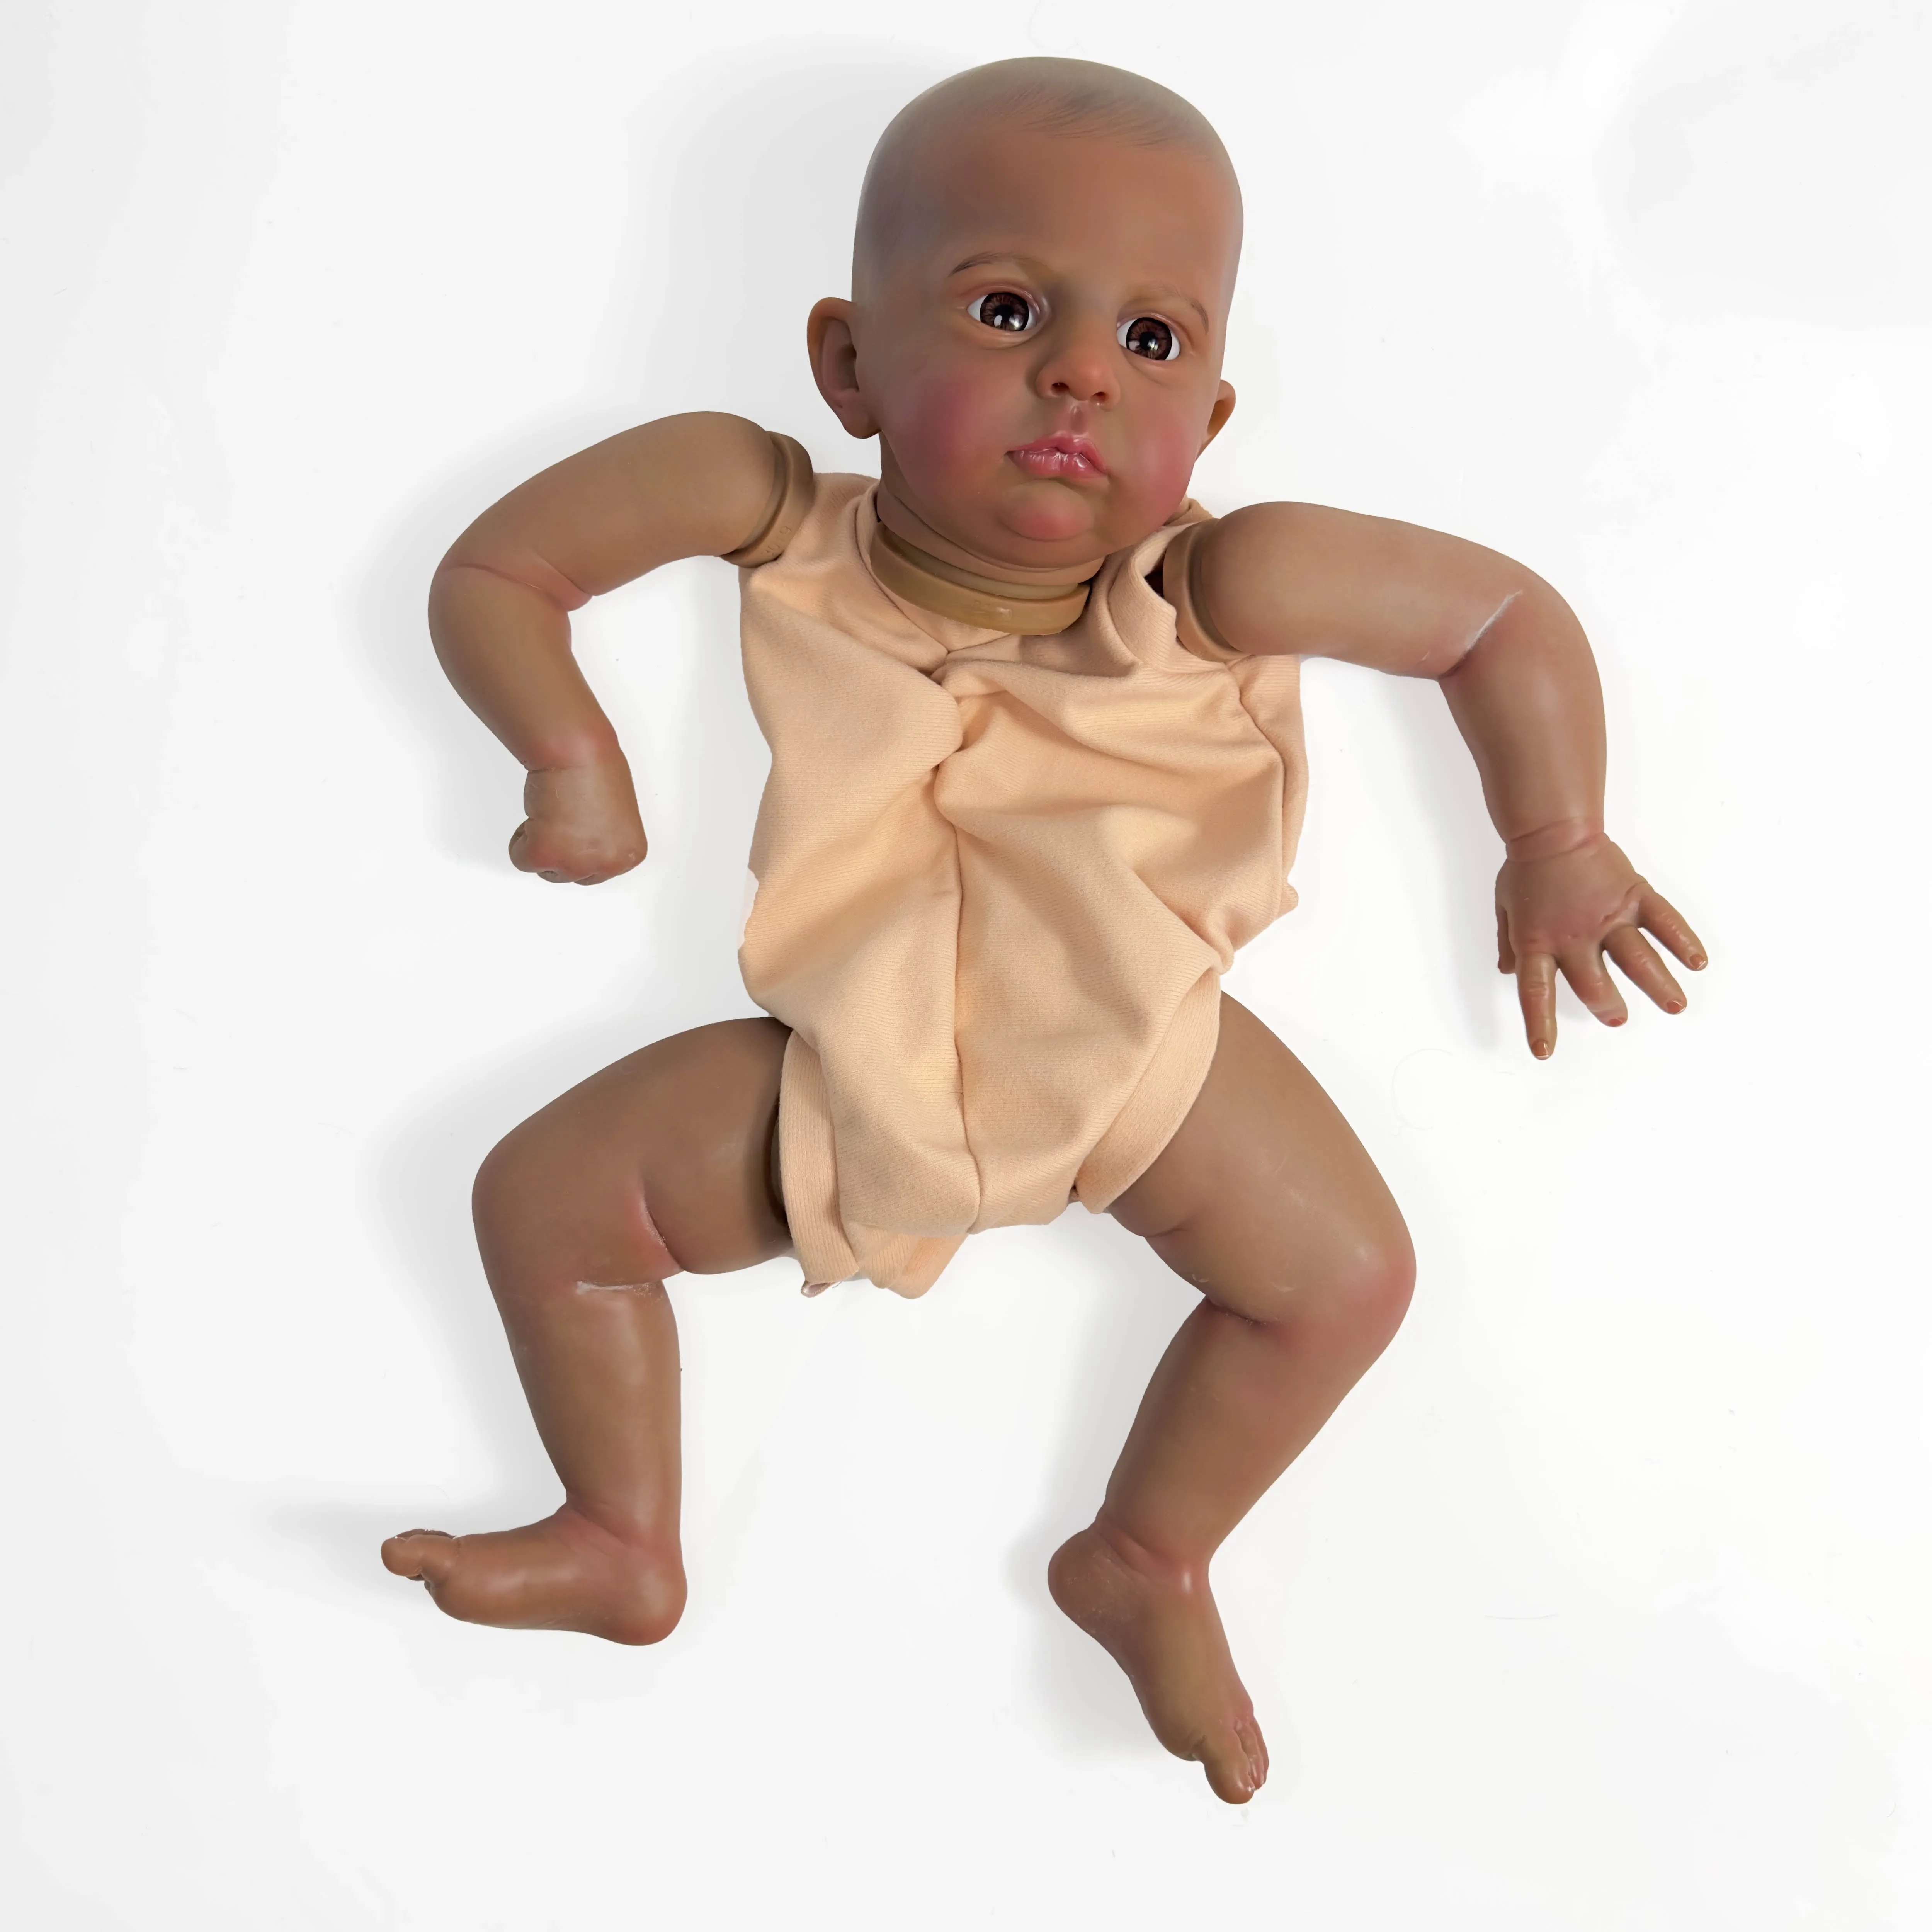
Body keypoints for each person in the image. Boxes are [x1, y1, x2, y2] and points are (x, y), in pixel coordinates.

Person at [382, 57, 1705, 1804]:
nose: (1082, 371)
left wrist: (1558, 836)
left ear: (1207, 419)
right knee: (543, 1203)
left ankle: (1146, 1555)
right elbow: (500, 572)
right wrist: (569, 754)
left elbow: (1495, 617)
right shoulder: (764, 508)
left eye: (1150, 340)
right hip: (842, 1070)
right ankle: (622, 1531)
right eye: (1006, 309)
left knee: (1344, 1281)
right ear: (848, 360)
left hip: (1139, 1061)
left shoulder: (1219, 585)